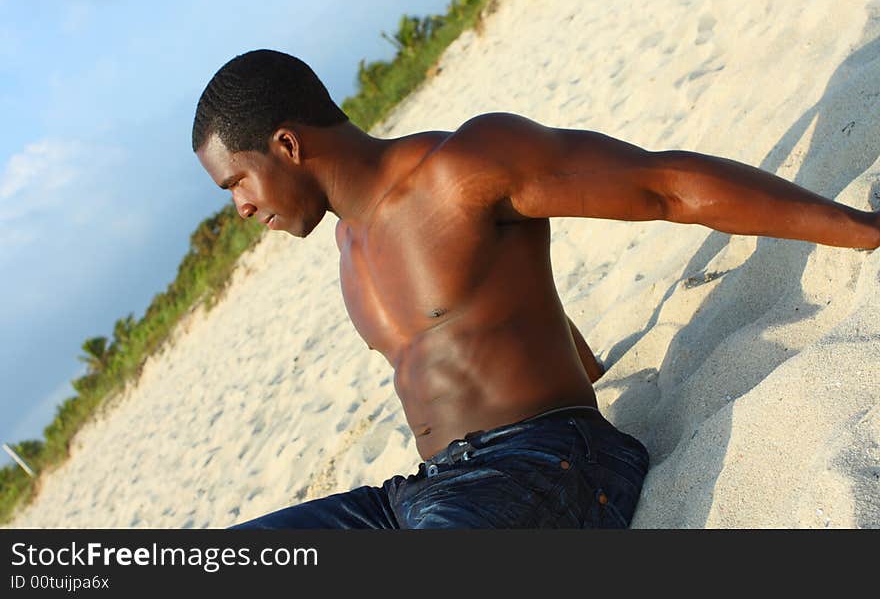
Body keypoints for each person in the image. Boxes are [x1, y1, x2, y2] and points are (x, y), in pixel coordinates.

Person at [192, 49, 879, 528]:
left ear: (286, 144)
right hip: (425, 496)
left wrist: (865, 230)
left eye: (237, 183)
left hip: (546, 465)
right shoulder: (349, 248)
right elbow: (495, 310)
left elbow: (661, 187)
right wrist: (587, 367)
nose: (241, 209)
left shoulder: (462, 169)